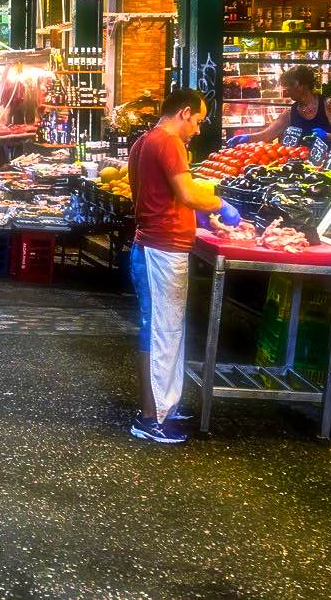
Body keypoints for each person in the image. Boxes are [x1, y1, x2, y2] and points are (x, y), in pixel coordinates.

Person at [128, 88, 241, 445]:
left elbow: (151, 196)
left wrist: (194, 218)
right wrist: (220, 204)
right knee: (162, 331)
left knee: (164, 330)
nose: (198, 129)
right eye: (198, 121)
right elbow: (189, 194)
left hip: (154, 245)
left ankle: (165, 406)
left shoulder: (144, 142)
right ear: (185, 113)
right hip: (161, 250)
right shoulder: (169, 142)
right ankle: (152, 418)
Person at [226, 65, 331, 148]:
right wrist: (246, 138)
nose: (287, 89)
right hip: (302, 166)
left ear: (303, 85)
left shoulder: (327, 105)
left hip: (329, 164)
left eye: (291, 85)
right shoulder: (289, 113)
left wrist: (327, 135)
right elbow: (267, 135)